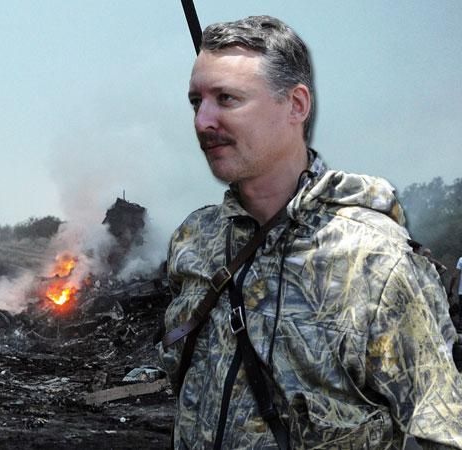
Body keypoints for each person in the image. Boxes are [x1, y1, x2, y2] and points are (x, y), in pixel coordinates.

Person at [158, 15, 462, 449]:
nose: (203, 121)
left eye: (227, 99)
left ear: (296, 105)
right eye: (196, 102)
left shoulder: (375, 261)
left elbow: (445, 430)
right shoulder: (195, 241)